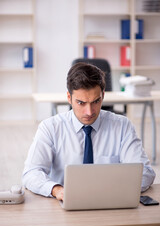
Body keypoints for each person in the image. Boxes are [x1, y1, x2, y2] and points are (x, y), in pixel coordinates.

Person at [22, 62, 155, 201]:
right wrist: (57, 190)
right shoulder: (50, 128)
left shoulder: (122, 126)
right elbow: (31, 173)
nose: (89, 112)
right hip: (65, 204)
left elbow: (145, 173)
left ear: (103, 95)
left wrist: (108, 189)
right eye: (81, 103)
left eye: (95, 101)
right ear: (69, 98)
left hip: (110, 202)